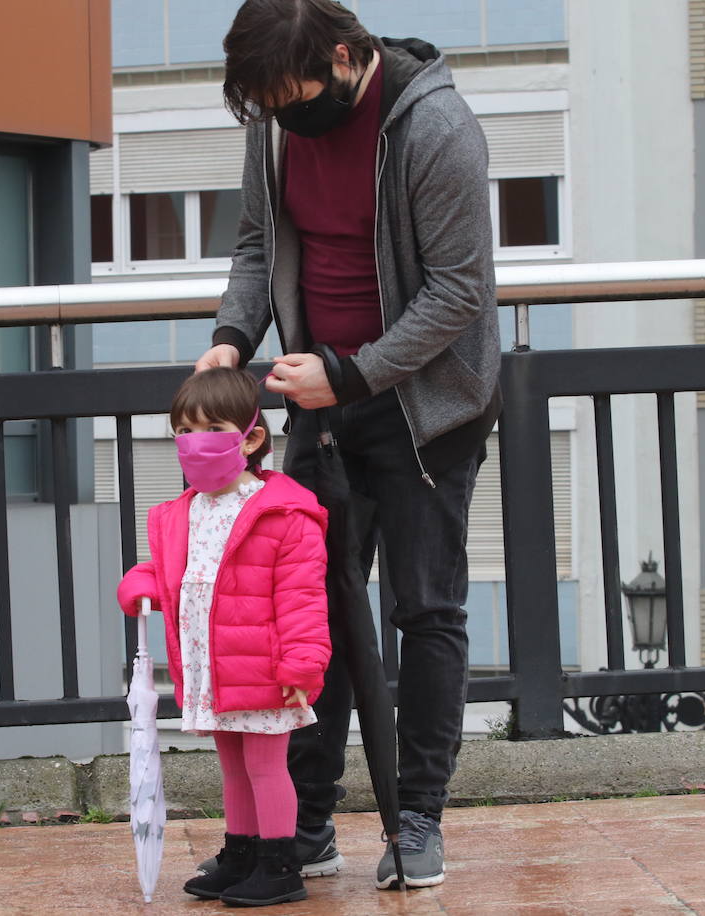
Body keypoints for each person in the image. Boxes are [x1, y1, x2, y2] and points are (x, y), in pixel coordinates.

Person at [193, 0, 502, 892]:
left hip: (423, 409)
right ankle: (307, 825)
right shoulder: (277, 122)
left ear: (344, 54)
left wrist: (356, 374)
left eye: (297, 101)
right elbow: (258, 243)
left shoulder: (436, 127)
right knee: (310, 614)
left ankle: (416, 822)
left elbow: (458, 292)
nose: (289, 120)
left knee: (424, 611)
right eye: (272, 109)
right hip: (318, 402)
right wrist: (232, 337)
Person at [117, 367, 332, 907]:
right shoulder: (182, 513)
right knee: (234, 768)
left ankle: (280, 864)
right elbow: (177, 573)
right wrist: (141, 583)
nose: (194, 442)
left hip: (263, 668)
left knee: (265, 766)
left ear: (251, 436)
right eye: (184, 431)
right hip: (211, 668)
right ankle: (241, 853)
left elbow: (303, 598)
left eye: (209, 427)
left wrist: (303, 667)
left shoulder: (285, 515)